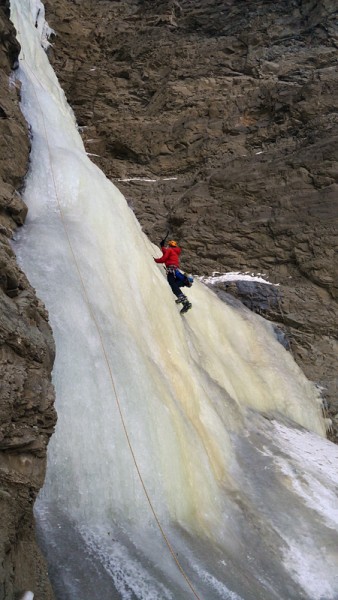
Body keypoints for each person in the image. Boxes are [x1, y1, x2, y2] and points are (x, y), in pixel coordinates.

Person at [154, 239, 192, 311]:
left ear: (169, 245)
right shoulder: (174, 252)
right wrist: (162, 246)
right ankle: (186, 303)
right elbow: (166, 252)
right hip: (175, 271)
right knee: (175, 286)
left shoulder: (170, 250)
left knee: (172, 284)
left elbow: (163, 258)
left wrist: (155, 260)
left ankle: (182, 298)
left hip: (171, 270)